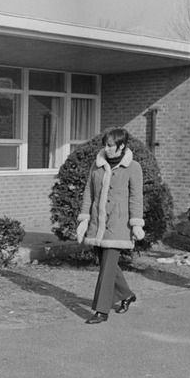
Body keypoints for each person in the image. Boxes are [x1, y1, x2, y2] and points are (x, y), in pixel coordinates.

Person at [76, 128, 144, 324]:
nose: (106, 148)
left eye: (110, 145)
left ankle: (101, 310)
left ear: (122, 146)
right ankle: (127, 295)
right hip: (98, 224)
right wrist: (84, 218)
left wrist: (136, 223)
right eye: (105, 144)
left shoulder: (133, 167)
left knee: (106, 270)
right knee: (107, 265)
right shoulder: (96, 166)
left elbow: (136, 198)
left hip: (119, 224)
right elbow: (88, 193)